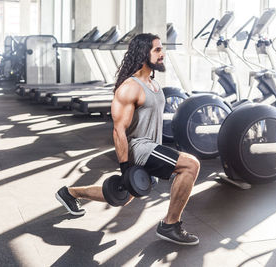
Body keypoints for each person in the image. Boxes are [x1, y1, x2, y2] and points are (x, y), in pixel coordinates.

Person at [55, 33, 200, 245]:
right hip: (141, 149)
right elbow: (118, 130)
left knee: (122, 195)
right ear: (143, 54)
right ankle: (170, 225)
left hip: (152, 146)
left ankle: (69, 193)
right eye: (157, 50)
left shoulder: (152, 83)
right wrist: (125, 168)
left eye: (162, 49)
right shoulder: (129, 88)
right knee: (190, 165)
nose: (163, 54)